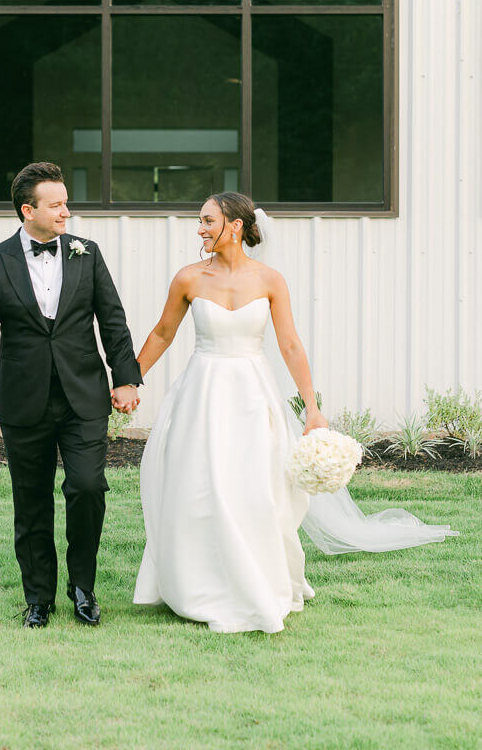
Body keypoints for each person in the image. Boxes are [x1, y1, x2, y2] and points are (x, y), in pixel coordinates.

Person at [133, 192, 458, 634]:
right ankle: (197, 585)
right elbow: (163, 332)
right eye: (200, 221)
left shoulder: (270, 280)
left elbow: (289, 344)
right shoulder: (188, 278)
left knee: (257, 488)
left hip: (253, 396)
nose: (200, 229)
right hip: (202, 394)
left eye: (207, 221)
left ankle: (257, 581)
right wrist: (129, 379)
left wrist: (312, 409)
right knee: (197, 485)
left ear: (234, 226)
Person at [0, 162, 141, 629]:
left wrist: (126, 377)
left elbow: (113, 319)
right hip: (22, 400)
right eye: (57, 204)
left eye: (66, 202)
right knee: (31, 499)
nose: (67, 211)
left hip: (83, 396)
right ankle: (38, 598)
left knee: (87, 488)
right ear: (29, 209)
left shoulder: (88, 253)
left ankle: (83, 588)